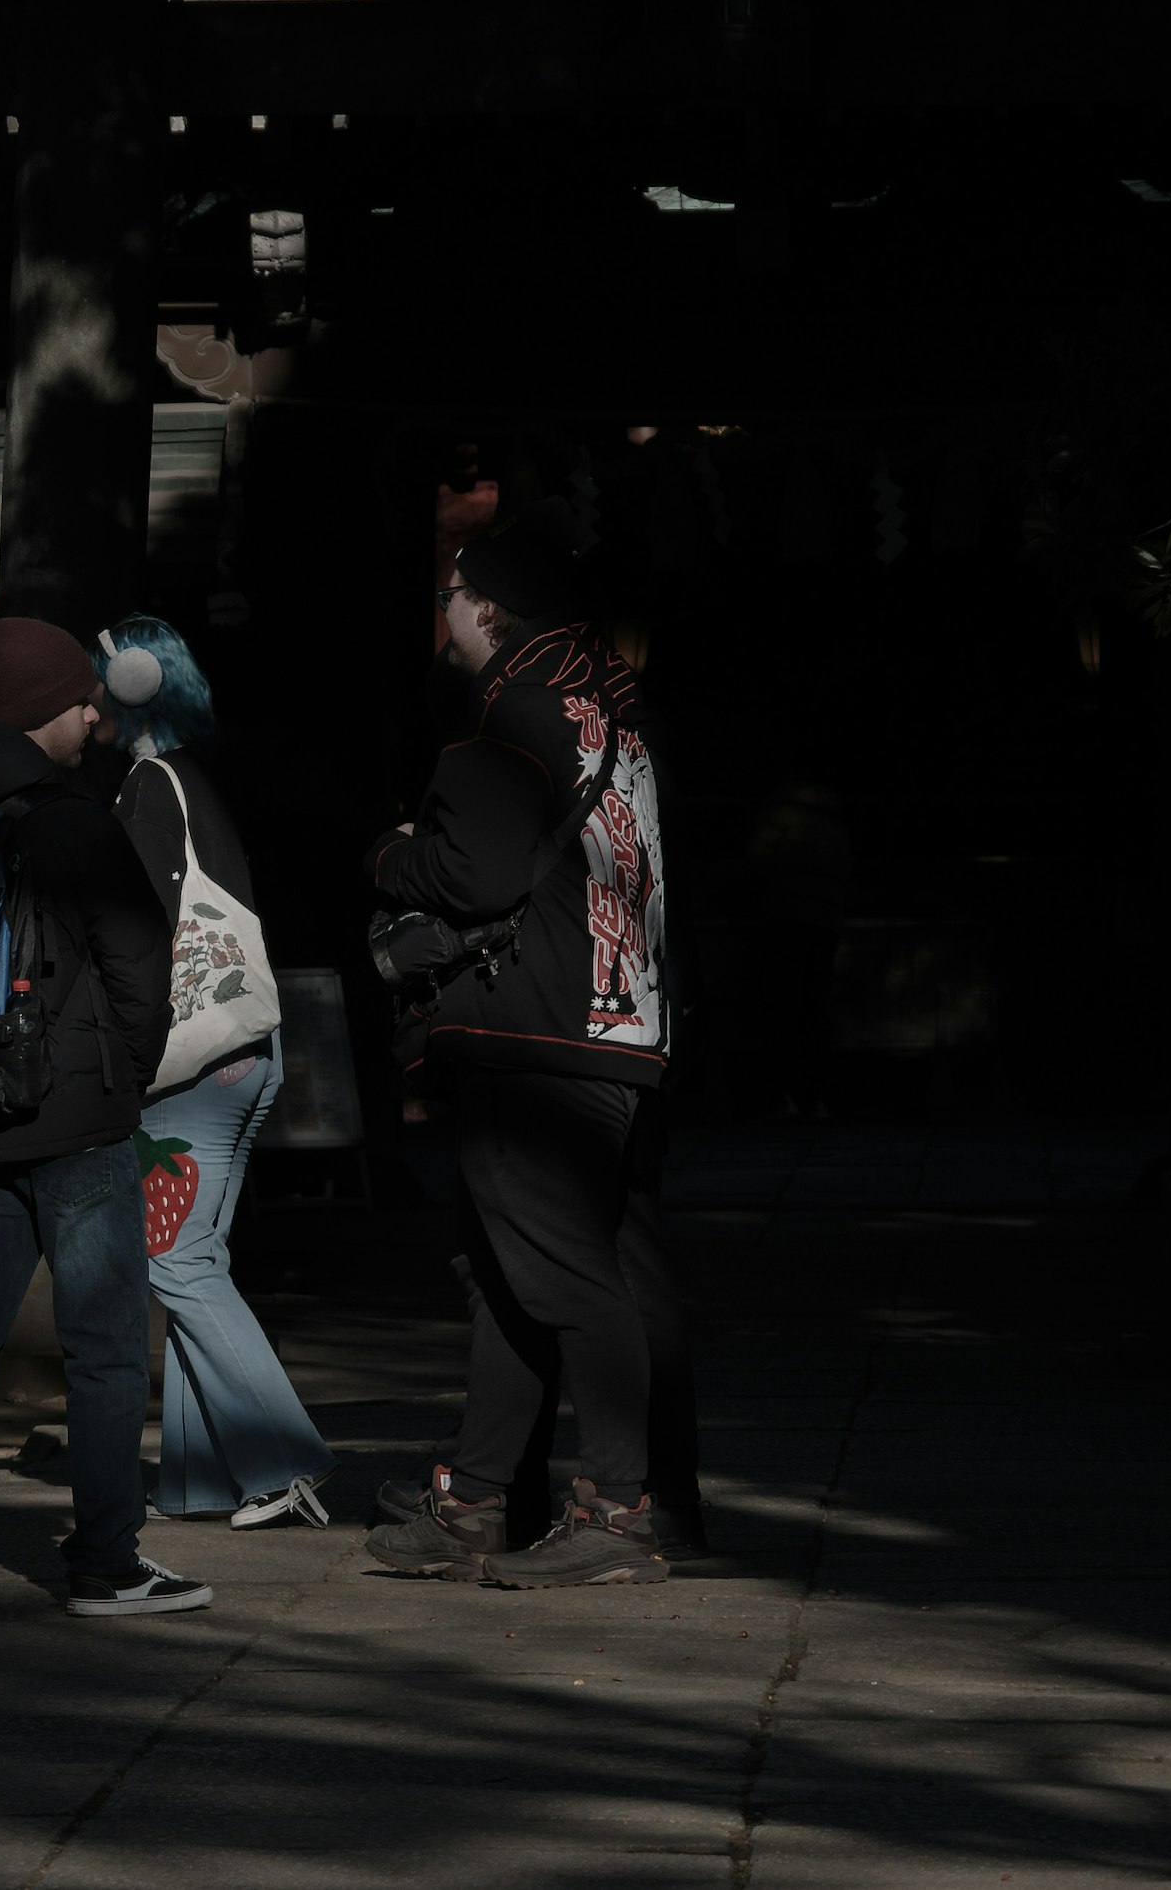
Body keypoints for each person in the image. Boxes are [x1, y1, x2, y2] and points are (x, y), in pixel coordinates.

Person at [361, 517, 702, 1586]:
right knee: (519, 1268)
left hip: (533, 1029)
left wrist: (394, 855)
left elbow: (476, 876)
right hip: (619, 1024)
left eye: (456, 591)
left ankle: (617, 1507)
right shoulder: (617, 711)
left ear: (492, 605)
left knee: (563, 1272)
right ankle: (478, 1491)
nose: (446, 609)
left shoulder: (512, 708)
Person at [0, 616, 214, 1624]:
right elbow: (139, 970)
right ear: (44, 714)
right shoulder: (72, 821)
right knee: (106, 1348)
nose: (94, 717)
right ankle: (108, 1563)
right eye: (82, 703)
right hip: (74, 1128)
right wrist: (122, 1080)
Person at [93, 615, 336, 1531]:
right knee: (196, 1258)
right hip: (244, 1052)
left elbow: (135, 931)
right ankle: (199, 1476)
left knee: (176, 1258)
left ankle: (282, 1460)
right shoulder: (203, 778)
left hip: (195, 1065)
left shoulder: (149, 787)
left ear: (129, 684)